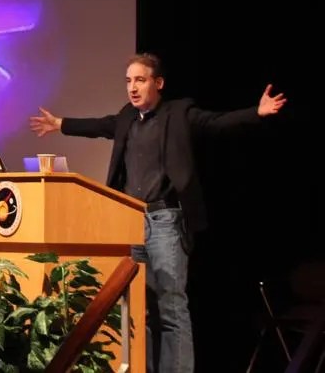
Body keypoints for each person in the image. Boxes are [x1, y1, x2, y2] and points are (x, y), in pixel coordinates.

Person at [28, 52, 286, 373]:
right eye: (128, 81)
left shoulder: (179, 113)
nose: (132, 87)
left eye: (140, 80)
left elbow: (216, 123)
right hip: (131, 221)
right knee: (141, 307)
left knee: (171, 307)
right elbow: (100, 125)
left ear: (158, 83)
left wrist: (256, 113)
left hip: (166, 221)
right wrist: (60, 124)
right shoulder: (127, 117)